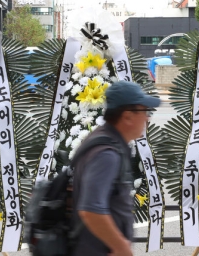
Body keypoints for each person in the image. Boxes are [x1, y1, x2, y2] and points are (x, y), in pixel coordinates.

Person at [70, 80, 161, 256]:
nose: (147, 118)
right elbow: (90, 209)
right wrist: (121, 247)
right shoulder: (106, 154)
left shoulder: (104, 140)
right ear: (127, 116)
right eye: (144, 111)